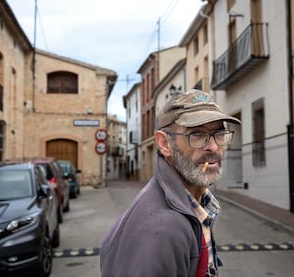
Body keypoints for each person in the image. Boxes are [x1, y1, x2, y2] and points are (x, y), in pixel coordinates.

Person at [100, 89, 241, 277]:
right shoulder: (160, 230)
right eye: (197, 134)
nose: (214, 146)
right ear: (165, 144)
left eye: (219, 133)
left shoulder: (195, 202)